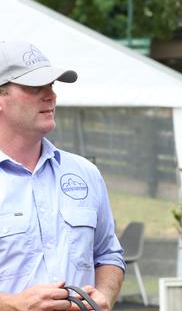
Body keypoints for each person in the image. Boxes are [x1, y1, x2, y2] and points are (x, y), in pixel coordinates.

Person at [0, 41, 125, 310]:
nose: (51, 95)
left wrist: (104, 295)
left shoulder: (85, 173)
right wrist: (13, 304)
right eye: (35, 87)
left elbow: (108, 255)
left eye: (52, 86)